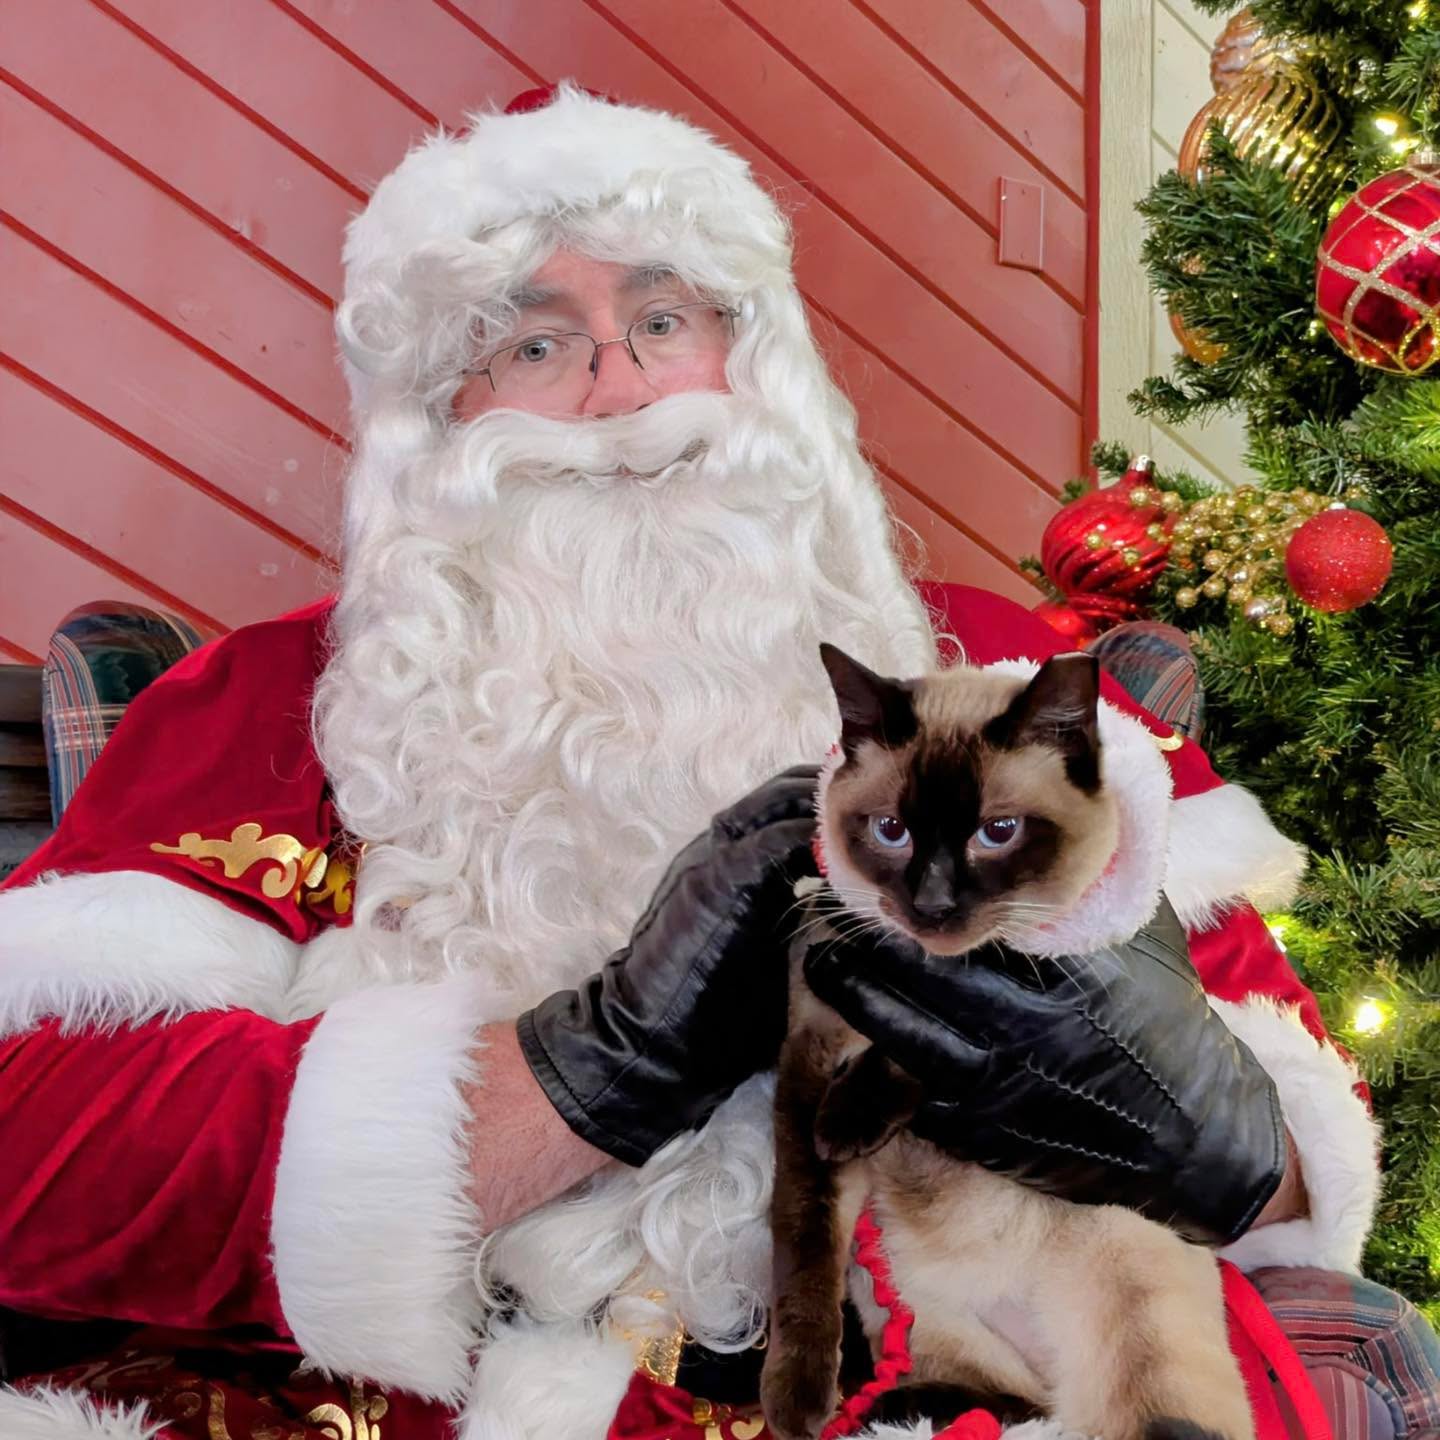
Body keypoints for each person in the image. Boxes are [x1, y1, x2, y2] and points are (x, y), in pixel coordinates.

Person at [0, 84, 1429, 1440]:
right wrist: (594, 1064)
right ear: (439, 422)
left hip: (935, 1376)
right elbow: (31, 1152)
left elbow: (1299, 1168)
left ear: (760, 367)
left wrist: (1203, 1124)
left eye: (666, 317)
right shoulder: (264, 712)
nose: (624, 391)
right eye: (538, 343)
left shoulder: (987, 686)